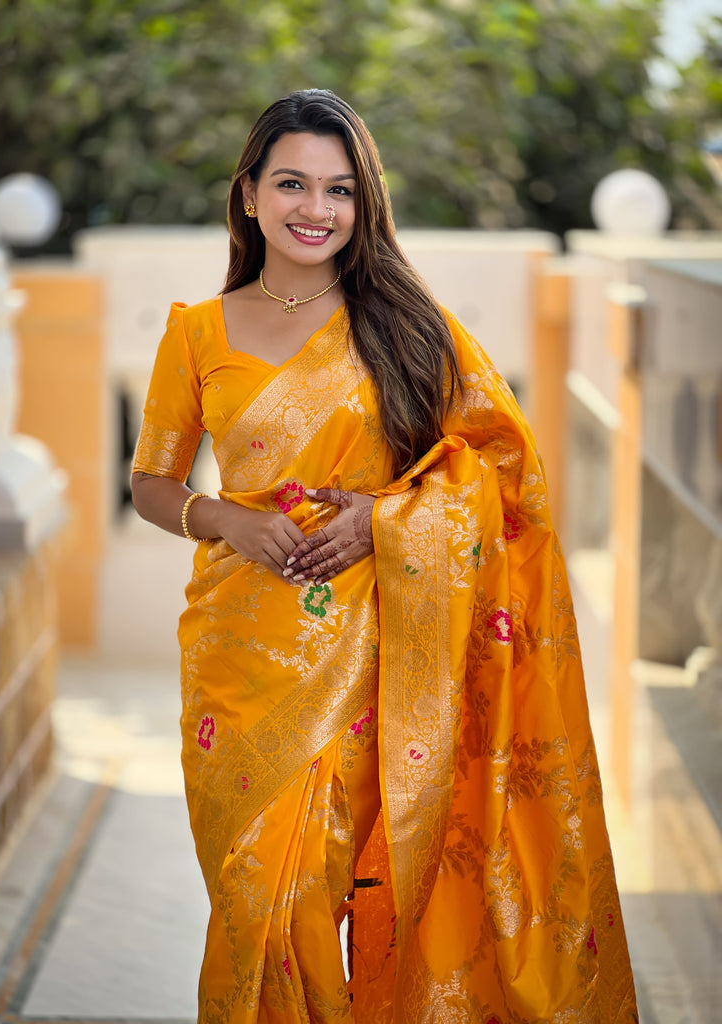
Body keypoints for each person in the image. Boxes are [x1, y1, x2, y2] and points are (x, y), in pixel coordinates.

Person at [131, 89, 638, 1024]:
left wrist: (385, 522)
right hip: (237, 663)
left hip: (379, 656)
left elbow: (501, 468)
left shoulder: (409, 327)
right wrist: (224, 519)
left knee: (336, 886)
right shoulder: (197, 331)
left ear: (365, 204)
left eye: (339, 189)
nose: (314, 209)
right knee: (253, 897)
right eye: (291, 184)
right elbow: (151, 483)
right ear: (249, 194)